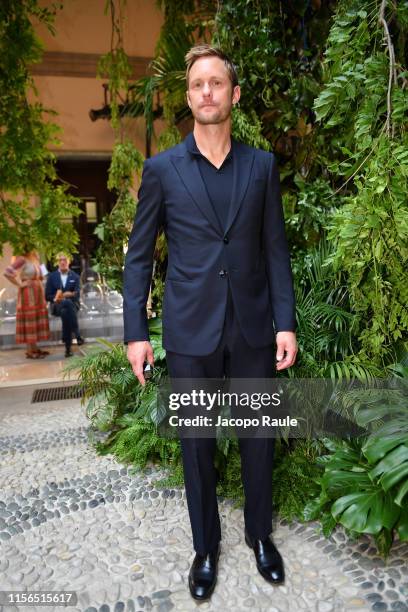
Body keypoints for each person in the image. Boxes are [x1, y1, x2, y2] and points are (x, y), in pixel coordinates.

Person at [123, 44, 298, 601]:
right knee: (196, 445)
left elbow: (275, 250)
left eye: (216, 83)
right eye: (198, 84)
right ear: (188, 97)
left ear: (233, 94)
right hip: (190, 331)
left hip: (252, 329)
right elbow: (139, 256)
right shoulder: (162, 170)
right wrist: (134, 332)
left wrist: (285, 323)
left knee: (258, 439)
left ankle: (259, 537)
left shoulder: (262, 166)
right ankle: (205, 549)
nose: (207, 92)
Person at [4, 250, 50, 359]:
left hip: (37, 292)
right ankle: (30, 351)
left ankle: (34, 348)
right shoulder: (21, 259)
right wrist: (20, 284)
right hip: (28, 294)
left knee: (36, 319)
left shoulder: (35, 257)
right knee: (30, 319)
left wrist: (43, 279)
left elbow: (44, 273)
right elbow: (7, 272)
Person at [45, 253, 84, 357]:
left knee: (66, 311)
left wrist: (68, 295)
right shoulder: (52, 277)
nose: (63, 262)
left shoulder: (75, 276)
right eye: (60, 260)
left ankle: (68, 348)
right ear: (58, 262)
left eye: (65, 260)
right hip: (57, 306)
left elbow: (77, 294)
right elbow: (47, 296)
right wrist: (56, 298)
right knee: (65, 305)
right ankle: (77, 334)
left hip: (73, 305)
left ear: (69, 262)